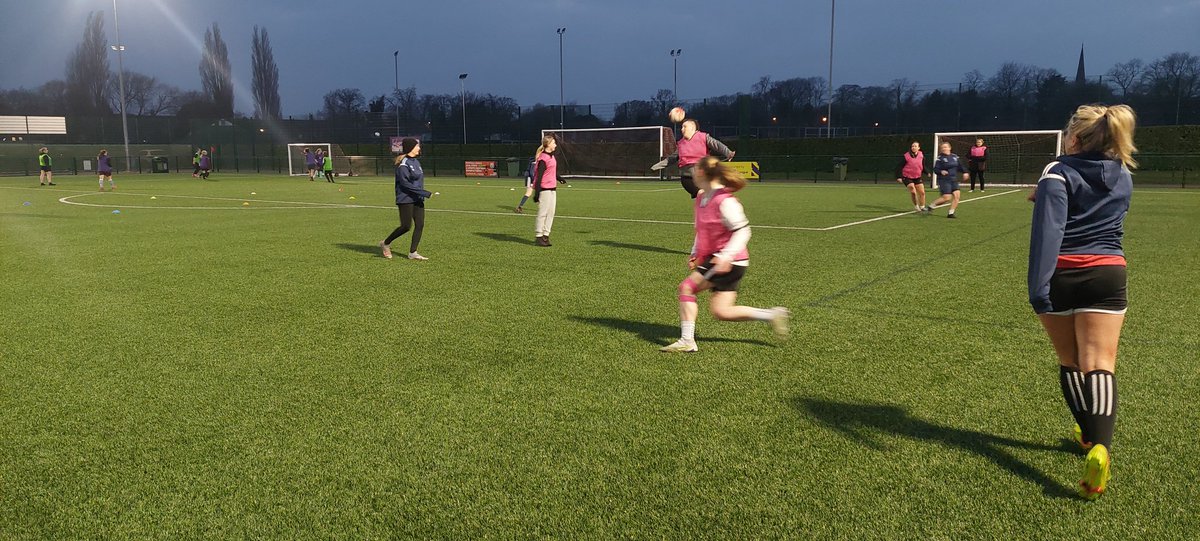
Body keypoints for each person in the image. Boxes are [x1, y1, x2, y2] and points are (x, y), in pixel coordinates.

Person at [1028, 104, 1137, 501]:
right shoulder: (1123, 174)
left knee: (1070, 360)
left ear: (1074, 136)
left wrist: (1037, 290)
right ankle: (1100, 448)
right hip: (1109, 271)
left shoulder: (1056, 172)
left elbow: (1049, 233)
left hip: (1063, 274)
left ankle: (1088, 436)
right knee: (1101, 363)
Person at [661, 156, 790, 353]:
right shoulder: (702, 197)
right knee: (722, 311)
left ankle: (687, 340)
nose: (692, 173)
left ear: (702, 173)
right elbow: (701, 230)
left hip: (727, 260)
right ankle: (771, 315)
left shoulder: (725, 201)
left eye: (695, 169)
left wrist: (726, 256)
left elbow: (743, 230)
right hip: (726, 260)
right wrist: (695, 252)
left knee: (686, 288)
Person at [380, 138, 432, 260]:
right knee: (406, 226)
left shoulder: (416, 162)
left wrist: (420, 194)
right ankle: (386, 243)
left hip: (417, 199)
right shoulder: (403, 164)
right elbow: (405, 184)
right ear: (411, 148)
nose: (419, 148)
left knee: (420, 224)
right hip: (405, 198)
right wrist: (424, 193)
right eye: (417, 146)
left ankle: (413, 253)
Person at [660, 119, 735, 199]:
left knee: (708, 196)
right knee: (703, 196)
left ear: (692, 128)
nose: (682, 129)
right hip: (687, 178)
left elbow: (717, 145)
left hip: (703, 175)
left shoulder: (703, 137)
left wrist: (728, 153)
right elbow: (672, 158)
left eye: (684, 127)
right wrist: (657, 165)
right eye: (682, 127)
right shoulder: (681, 143)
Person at [532, 134, 566, 246]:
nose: (555, 145)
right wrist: (537, 193)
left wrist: (559, 178)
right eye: (554, 143)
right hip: (544, 189)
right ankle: (539, 236)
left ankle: (546, 235)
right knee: (543, 213)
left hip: (552, 189)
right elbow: (539, 176)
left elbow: (552, 171)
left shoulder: (552, 157)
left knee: (551, 213)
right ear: (548, 144)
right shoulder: (543, 158)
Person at [925, 142, 967, 218]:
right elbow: (935, 169)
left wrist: (965, 172)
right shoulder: (940, 158)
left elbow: (960, 166)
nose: (944, 149)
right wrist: (941, 171)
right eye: (943, 147)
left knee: (957, 196)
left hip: (953, 179)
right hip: (944, 180)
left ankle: (951, 213)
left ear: (950, 148)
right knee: (946, 198)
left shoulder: (955, 157)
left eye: (946, 147)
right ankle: (931, 206)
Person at [895, 141, 928, 213]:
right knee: (913, 191)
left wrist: (927, 172)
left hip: (917, 177)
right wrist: (898, 177)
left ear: (919, 148)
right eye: (912, 146)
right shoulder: (906, 156)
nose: (913, 147)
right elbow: (899, 166)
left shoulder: (921, 155)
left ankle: (922, 207)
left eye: (915, 146)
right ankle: (916, 206)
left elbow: (923, 166)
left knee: (922, 192)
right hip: (907, 177)